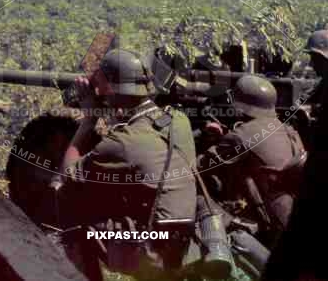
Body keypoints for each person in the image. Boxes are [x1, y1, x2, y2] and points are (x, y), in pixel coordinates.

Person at [52, 49, 197, 281]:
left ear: (111, 90)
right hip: (185, 244)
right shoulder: (179, 121)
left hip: (150, 252)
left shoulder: (122, 143)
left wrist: (89, 119)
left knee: (65, 192)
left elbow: (67, 175)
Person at [198, 75, 306, 246]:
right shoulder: (287, 128)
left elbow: (200, 167)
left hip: (276, 229)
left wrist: (210, 141)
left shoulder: (242, 135)